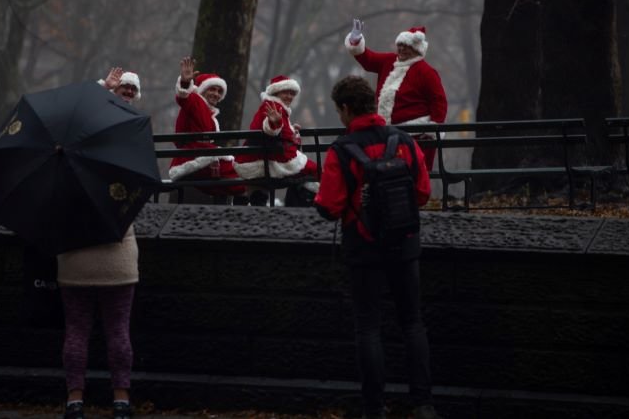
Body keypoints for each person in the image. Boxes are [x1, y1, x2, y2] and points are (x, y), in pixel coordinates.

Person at [313, 76, 441, 419]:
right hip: (405, 244)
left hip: (363, 246)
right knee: (412, 322)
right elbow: (423, 193)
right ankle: (423, 403)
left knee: (368, 328)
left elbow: (329, 206)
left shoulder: (341, 150)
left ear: (345, 108)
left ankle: (374, 407)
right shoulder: (404, 141)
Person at [57, 224, 138, 419]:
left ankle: (74, 402)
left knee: (76, 331)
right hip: (118, 263)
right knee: (118, 330)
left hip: (74, 263)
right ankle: (121, 401)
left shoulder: (63, 194)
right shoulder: (122, 192)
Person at [345, 19, 447, 171]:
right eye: (400, 45)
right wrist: (356, 40)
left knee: (414, 175)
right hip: (385, 134)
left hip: (417, 136)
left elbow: (439, 102)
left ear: (417, 49)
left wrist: (432, 130)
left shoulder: (427, 72)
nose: (402, 49)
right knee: (386, 175)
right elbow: (368, 59)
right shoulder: (388, 61)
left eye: (407, 46)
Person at [233, 75, 318, 206]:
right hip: (273, 161)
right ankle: (306, 206)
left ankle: (259, 197)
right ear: (276, 92)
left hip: (261, 159)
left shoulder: (275, 106)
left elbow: (276, 131)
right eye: (286, 92)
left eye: (292, 93)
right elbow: (269, 129)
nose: (290, 96)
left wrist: (289, 129)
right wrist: (275, 124)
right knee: (317, 171)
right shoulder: (273, 107)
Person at [168, 56, 246, 199]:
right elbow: (184, 97)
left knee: (238, 178)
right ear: (202, 90)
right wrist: (185, 82)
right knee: (242, 174)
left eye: (219, 91)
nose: (216, 94)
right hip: (192, 160)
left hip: (202, 160)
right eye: (212, 89)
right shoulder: (196, 101)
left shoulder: (210, 114)